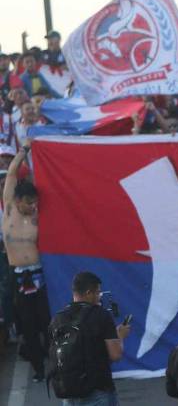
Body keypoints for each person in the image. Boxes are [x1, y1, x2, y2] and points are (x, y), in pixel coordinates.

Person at [2, 143, 49, 381]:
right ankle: (38, 368)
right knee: (28, 326)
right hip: (18, 275)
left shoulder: (37, 216)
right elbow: (11, 173)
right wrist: (24, 150)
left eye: (35, 203)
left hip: (39, 273)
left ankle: (57, 363)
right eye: (29, 203)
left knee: (46, 321)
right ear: (18, 200)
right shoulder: (9, 210)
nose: (32, 206)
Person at [49, 271, 131, 405]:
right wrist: (120, 336)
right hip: (98, 392)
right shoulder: (101, 315)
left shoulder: (58, 318)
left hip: (69, 393)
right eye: (98, 292)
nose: (99, 296)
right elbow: (115, 355)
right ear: (88, 293)